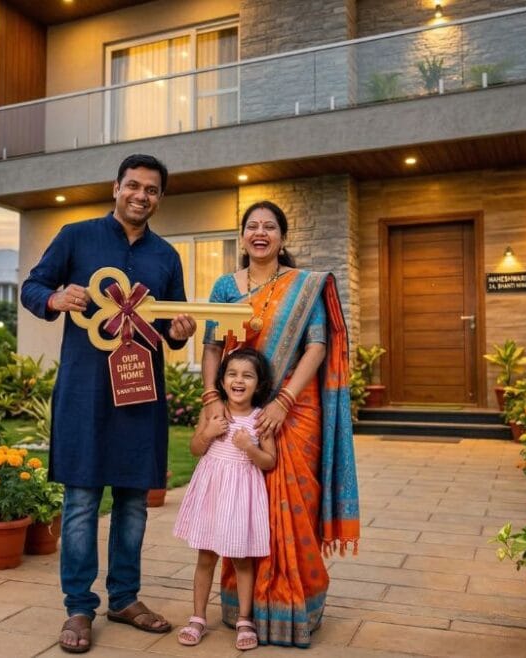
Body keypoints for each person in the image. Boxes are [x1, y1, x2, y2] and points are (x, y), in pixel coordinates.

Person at [20, 153, 196, 654]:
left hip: (140, 393)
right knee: (80, 501)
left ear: (160, 198)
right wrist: (54, 299)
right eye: (133, 186)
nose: (142, 195)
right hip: (85, 391)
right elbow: (32, 287)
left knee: (134, 503)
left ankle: (124, 598)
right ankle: (79, 606)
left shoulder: (166, 256)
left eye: (152, 190)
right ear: (115, 187)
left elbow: (172, 325)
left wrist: (181, 332)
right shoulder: (76, 237)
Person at [199, 199, 361, 647]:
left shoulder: (304, 286)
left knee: (294, 506)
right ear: (242, 237)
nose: (260, 233)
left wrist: (284, 401)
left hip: (294, 409)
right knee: (241, 507)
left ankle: (295, 605)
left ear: (283, 237)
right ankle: (244, 611)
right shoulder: (225, 287)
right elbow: (213, 346)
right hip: (240, 406)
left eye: (269, 226)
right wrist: (212, 397)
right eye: (252, 226)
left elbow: (316, 345)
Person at [173, 347, 278, 651]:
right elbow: (195, 449)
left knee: (242, 560)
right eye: (232, 374)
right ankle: (198, 618)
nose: (239, 380)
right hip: (213, 495)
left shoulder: (260, 419)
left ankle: (245, 620)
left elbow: (269, 461)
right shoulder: (213, 413)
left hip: (241, 497)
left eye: (247, 375)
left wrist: (249, 447)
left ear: (259, 384)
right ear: (222, 381)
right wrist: (208, 433)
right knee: (205, 558)